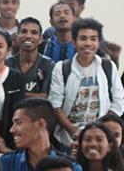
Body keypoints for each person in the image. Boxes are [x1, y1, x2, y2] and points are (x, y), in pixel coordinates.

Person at [49, 18, 124, 149]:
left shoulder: (108, 66)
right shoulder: (62, 68)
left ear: (99, 42)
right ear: (74, 41)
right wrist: (72, 130)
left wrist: (102, 128)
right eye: (83, 38)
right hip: (69, 139)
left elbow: (118, 101)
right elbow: (55, 104)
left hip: (101, 138)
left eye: (93, 39)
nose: (88, 43)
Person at [2, 98, 84, 171]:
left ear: (40, 123)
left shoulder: (71, 168)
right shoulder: (6, 163)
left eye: (19, 123)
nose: (12, 129)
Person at [6, 17, 55, 99]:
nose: (28, 36)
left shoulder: (48, 65)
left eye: (34, 32)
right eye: (24, 31)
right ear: (17, 37)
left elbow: (47, 98)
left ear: (40, 39)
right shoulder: (7, 64)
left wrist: (16, 94)